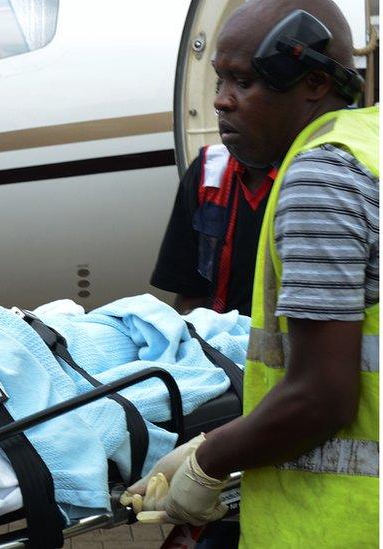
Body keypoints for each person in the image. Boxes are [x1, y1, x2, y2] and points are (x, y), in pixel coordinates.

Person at [125, 1, 378, 546]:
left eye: (243, 81)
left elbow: (321, 397)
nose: (220, 100)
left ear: (314, 82)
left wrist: (208, 461)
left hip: (338, 526)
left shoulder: (321, 174)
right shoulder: (371, 144)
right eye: (220, 79)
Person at [151, 146, 277, 316]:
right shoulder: (209, 171)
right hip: (226, 333)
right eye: (218, 116)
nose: (224, 118)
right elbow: (192, 293)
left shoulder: (309, 174)